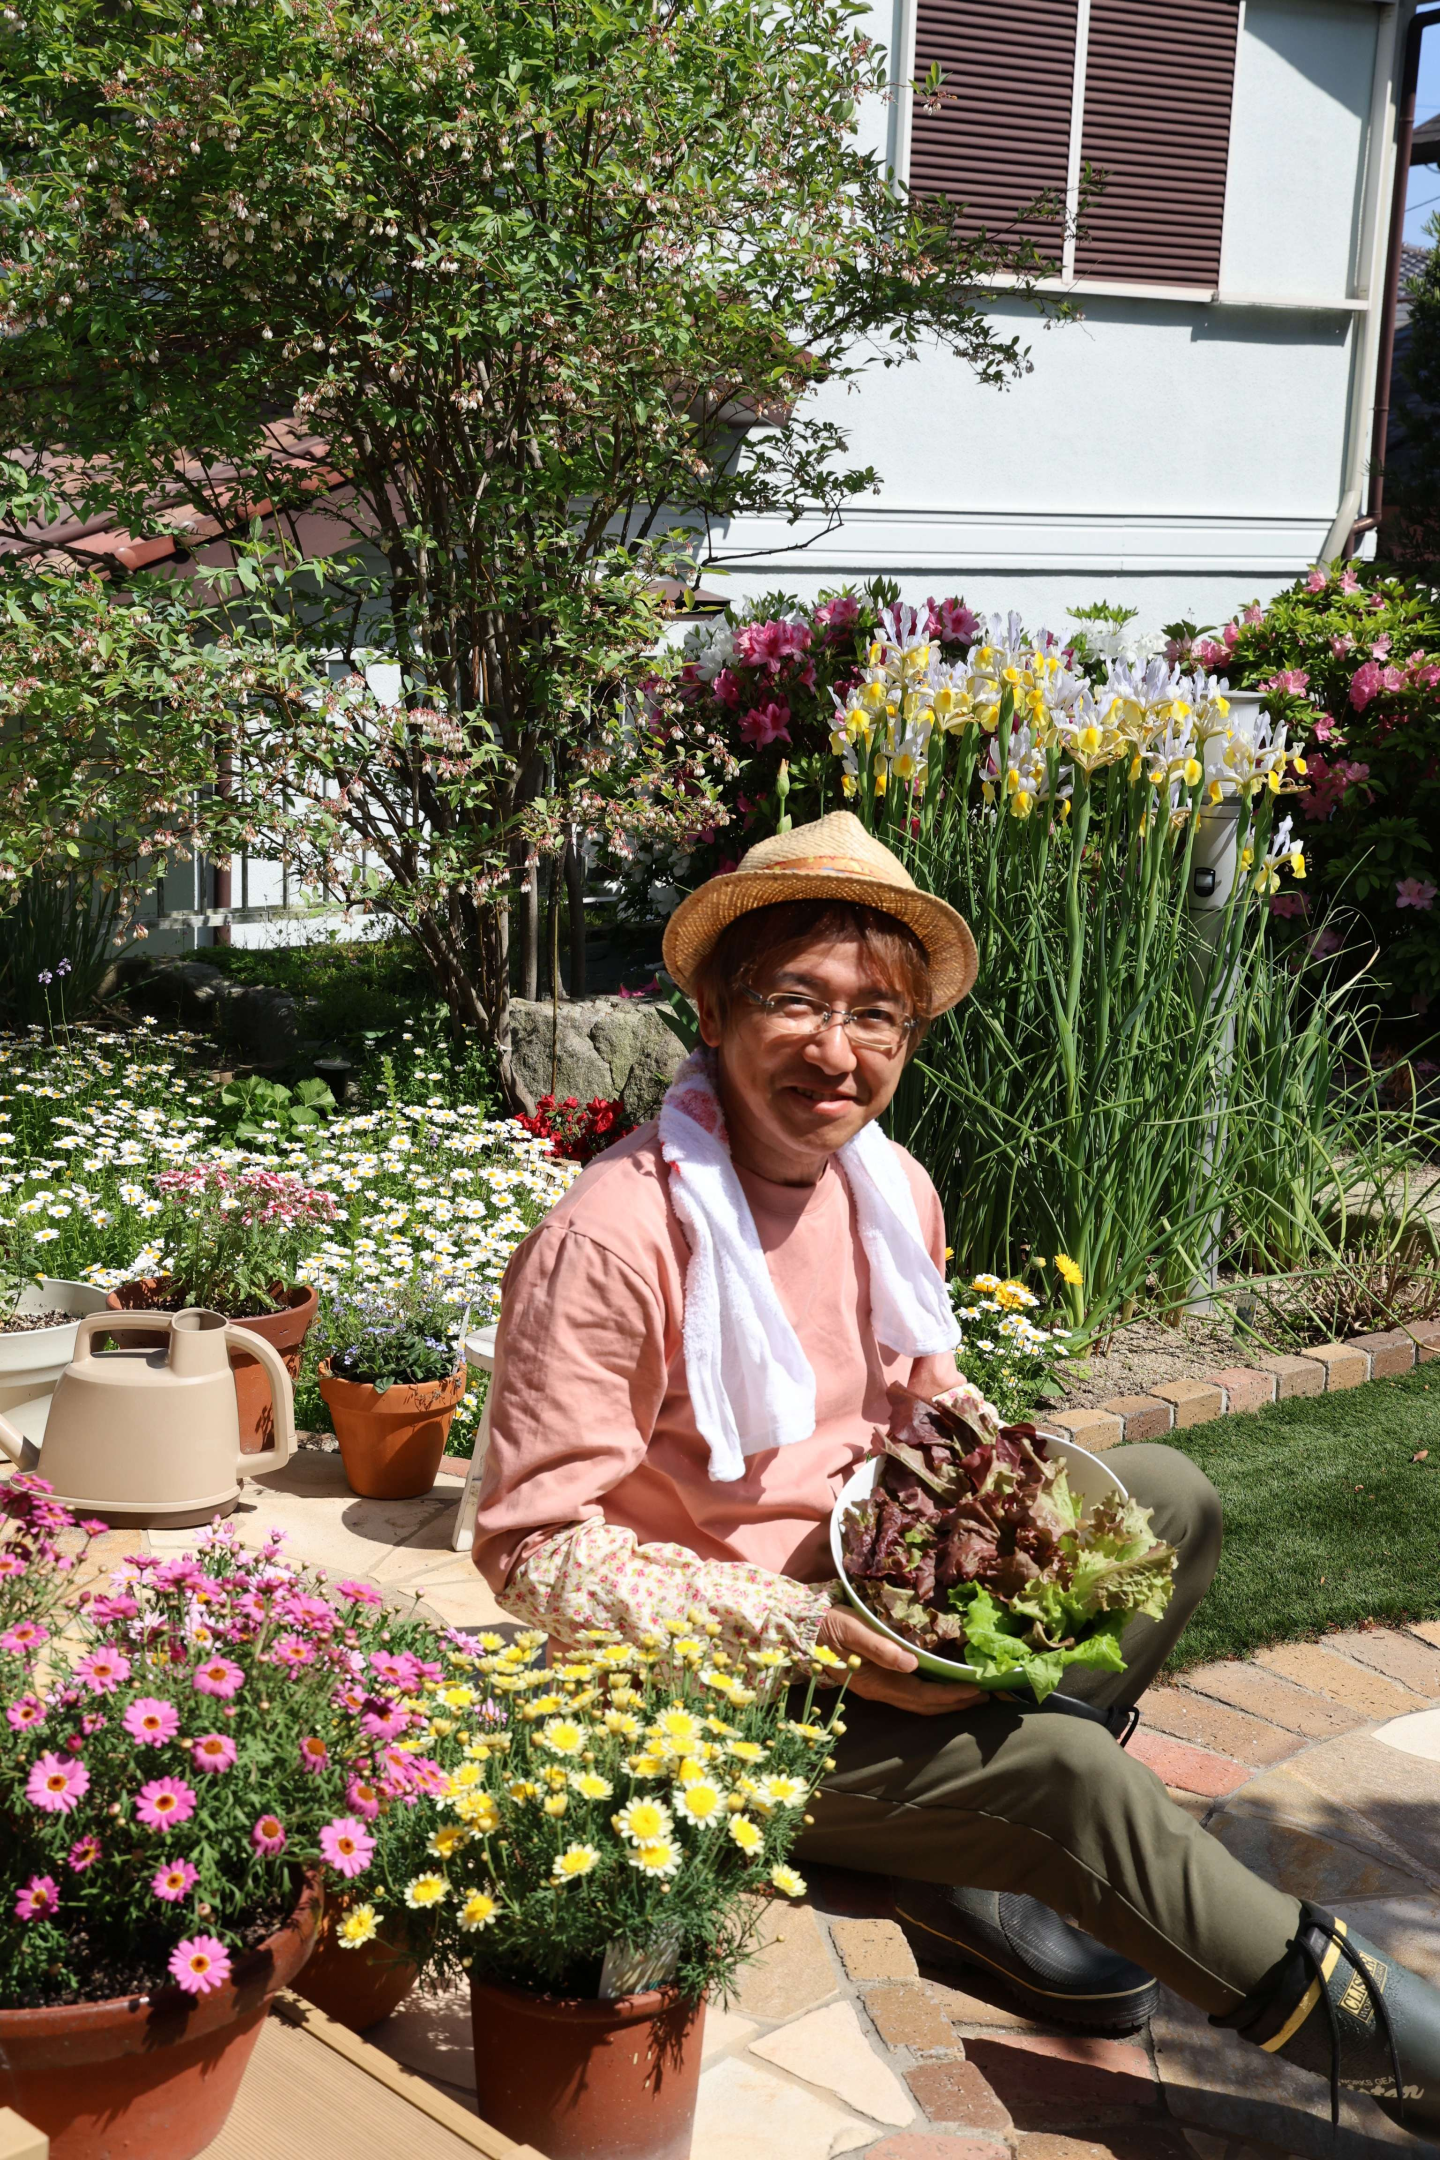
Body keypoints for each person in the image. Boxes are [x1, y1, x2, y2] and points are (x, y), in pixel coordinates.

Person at [472, 809, 1440, 2130]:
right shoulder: (616, 1236)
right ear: (711, 1011)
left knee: (1165, 1503)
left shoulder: (891, 1189)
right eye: (795, 1001)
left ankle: (967, 1842)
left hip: (873, 1600)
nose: (837, 1051)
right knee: (1073, 1779)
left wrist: (1005, 1485)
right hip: (725, 1691)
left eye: (878, 1016)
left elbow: (924, 1396)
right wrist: (811, 1633)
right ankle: (1404, 2062)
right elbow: (533, 1551)